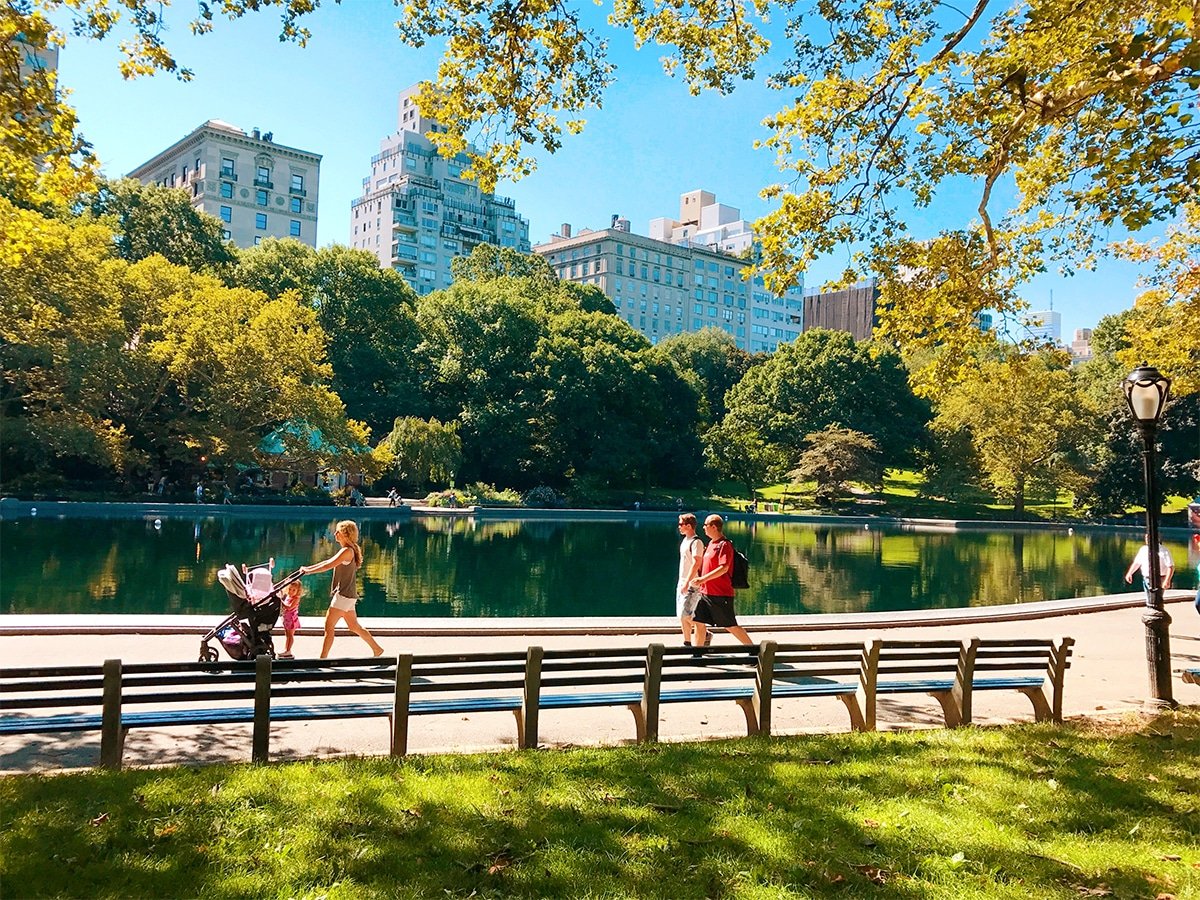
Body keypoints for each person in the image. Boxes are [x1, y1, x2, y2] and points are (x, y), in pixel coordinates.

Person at [300, 519, 385, 658]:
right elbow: (327, 562)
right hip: (349, 596)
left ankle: (322, 658)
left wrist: (308, 571)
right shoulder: (348, 550)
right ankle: (377, 649)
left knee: (329, 626)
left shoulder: (347, 551)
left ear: (345, 534)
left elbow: (328, 565)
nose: (335, 534)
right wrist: (307, 569)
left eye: (338, 532)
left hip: (344, 596)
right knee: (354, 627)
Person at [689, 514, 754, 647]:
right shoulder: (710, 545)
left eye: (706, 525)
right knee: (698, 622)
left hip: (720, 594)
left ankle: (754, 652)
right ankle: (697, 654)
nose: (703, 528)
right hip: (705, 593)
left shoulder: (724, 545)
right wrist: (698, 579)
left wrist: (702, 579)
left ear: (714, 527)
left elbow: (723, 568)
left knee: (730, 626)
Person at [676, 514, 707, 647]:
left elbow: (697, 562)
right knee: (681, 616)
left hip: (692, 584)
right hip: (682, 582)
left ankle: (704, 633)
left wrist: (688, 582)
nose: (679, 527)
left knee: (687, 615)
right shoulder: (685, 541)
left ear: (689, 526)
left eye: (681, 524)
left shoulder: (696, 542)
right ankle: (687, 642)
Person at [1124, 533, 1174, 602]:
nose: (1147, 540)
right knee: (1149, 598)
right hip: (1146, 578)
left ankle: (1156, 610)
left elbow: (1170, 566)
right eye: (1146, 538)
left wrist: (1167, 580)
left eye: (1149, 538)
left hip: (1160, 578)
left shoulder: (1163, 550)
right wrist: (1130, 573)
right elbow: (1137, 563)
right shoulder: (1143, 549)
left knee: (1156, 599)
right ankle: (1151, 609)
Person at [279, 579, 302, 659]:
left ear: (297, 591)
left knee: (290, 635)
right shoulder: (289, 596)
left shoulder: (296, 598)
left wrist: (281, 602)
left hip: (291, 619)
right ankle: (286, 649)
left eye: (294, 590)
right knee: (287, 635)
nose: (291, 591)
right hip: (287, 619)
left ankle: (288, 650)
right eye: (290, 589)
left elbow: (289, 607)